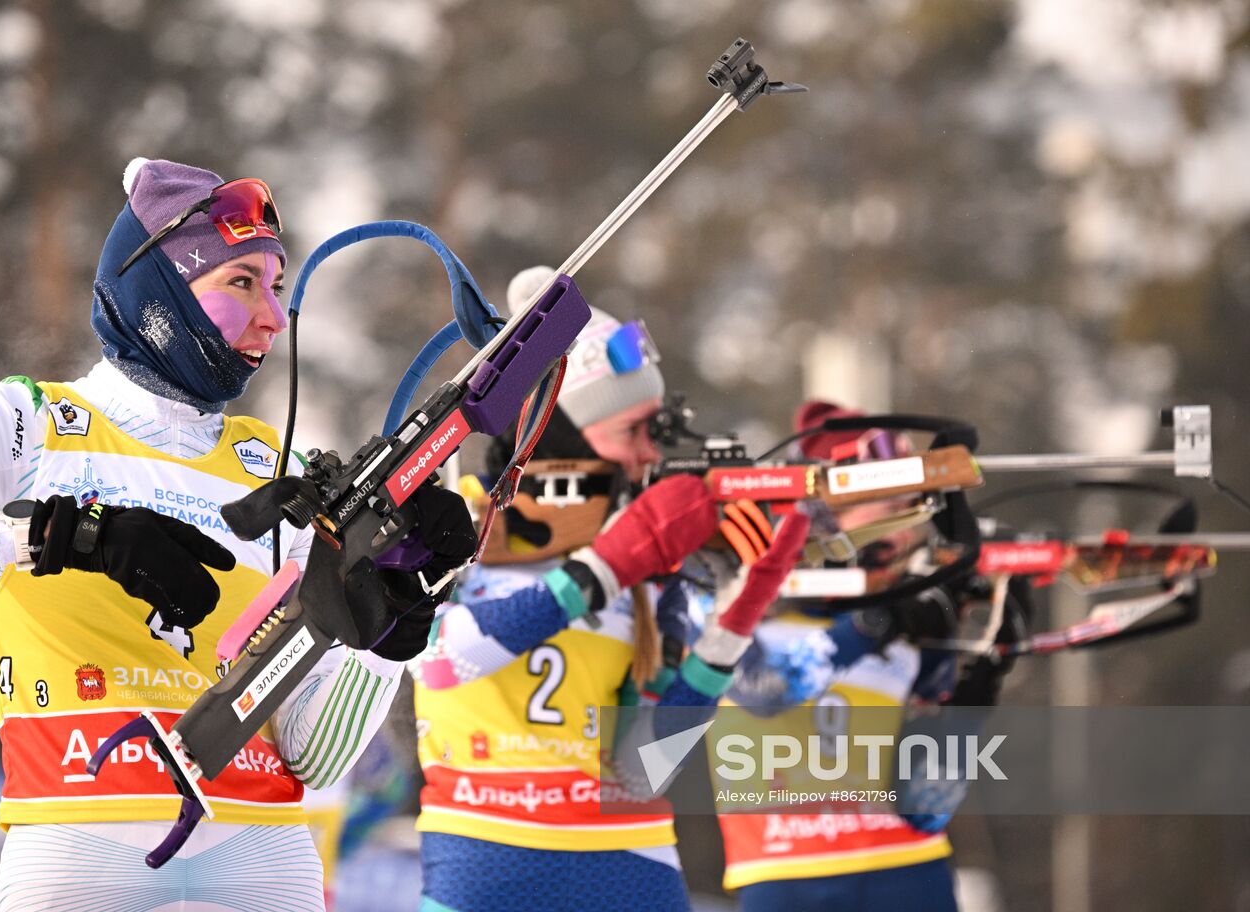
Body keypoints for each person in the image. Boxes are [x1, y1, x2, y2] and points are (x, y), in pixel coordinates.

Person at [0, 158, 465, 911]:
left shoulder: (280, 467)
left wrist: (396, 618)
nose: (273, 318)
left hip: (261, 855)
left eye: (276, 287)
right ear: (159, 291)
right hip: (78, 839)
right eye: (243, 282)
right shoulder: (24, 424)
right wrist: (68, 535)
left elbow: (315, 754)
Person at [406, 268, 811, 912]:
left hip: (628, 863)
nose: (648, 455)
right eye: (630, 432)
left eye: (655, 432)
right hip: (484, 856)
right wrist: (608, 567)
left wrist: (732, 622)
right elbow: (441, 660)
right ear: (558, 432)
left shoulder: (650, 557)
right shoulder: (459, 521)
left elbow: (645, 768)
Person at [711, 400, 976, 912]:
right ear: (826, 516)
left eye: (911, 510)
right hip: (783, 871)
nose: (904, 532)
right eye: (887, 508)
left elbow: (929, 805)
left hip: (905, 870)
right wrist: (870, 626)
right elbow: (764, 692)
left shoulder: (909, 624)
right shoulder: (742, 600)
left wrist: (983, 673)